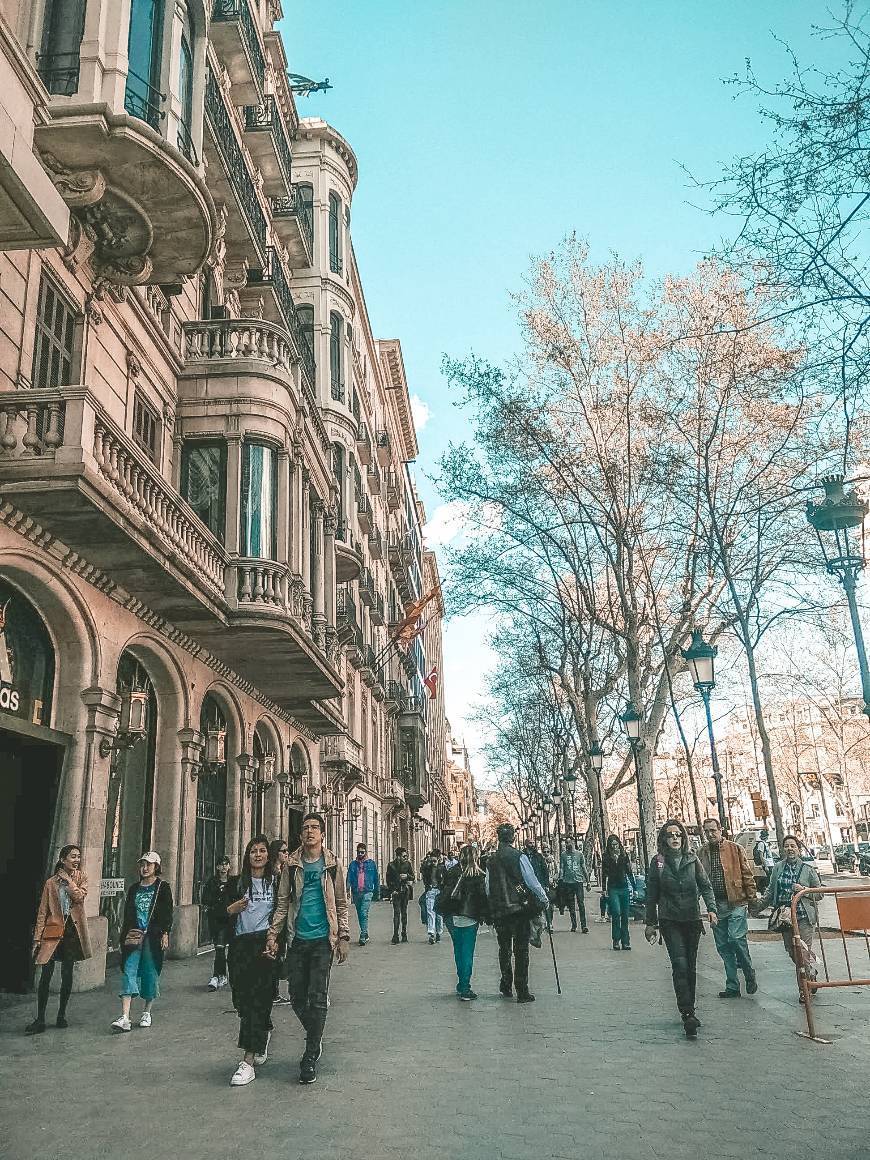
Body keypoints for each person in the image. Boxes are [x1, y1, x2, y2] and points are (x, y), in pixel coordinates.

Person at [267, 813, 350, 1085]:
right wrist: (273, 935)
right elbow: (282, 903)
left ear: (323, 834)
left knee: (317, 996)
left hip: (323, 940)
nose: (310, 832)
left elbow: (340, 902)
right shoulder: (290, 865)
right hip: (297, 939)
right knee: (296, 995)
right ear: (300, 835)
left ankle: (310, 1055)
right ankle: (316, 1034)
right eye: (305, 828)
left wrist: (344, 936)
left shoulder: (334, 865)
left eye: (315, 828)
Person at [644, 819, 718, 1038]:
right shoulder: (658, 862)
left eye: (678, 835)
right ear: (664, 839)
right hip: (670, 920)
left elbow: (705, 886)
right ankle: (687, 1013)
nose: (675, 838)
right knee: (680, 964)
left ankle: (691, 1008)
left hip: (692, 919)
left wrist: (712, 909)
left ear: (683, 838)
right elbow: (651, 895)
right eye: (670, 835)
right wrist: (651, 923)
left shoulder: (692, 859)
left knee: (691, 966)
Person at [225, 836, 278, 1086]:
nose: (258, 855)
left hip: (264, 946)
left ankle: (246, 1062)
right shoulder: (237, 884)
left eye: (262, 851)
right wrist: (230, 910)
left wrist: (277, 943)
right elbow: (217, 912)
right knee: (242, 1003)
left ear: (268, 856)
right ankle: (263, 1032)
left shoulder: (276, 884)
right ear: (247, 856)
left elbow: (283, 914)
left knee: (258, 1001)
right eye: (253, 851)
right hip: (240, 947)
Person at [26, 844, 92, 1034]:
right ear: (63, 859)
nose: (76, 860)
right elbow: (43, 911)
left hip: (72, 930)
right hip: (52, 930)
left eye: (78, 856)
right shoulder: (50, 883)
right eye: (72, 856)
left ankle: (61, 1014)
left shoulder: (81, 877)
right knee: (46, 974)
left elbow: (79, 898)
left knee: (67, 973)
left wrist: (69, 881)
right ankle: (40, 1019)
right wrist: (37, 938)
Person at [485, 823, 549, 1003]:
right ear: (512, 837)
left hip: (500, 911)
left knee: (504, 949)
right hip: (519, 909)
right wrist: (544, 898)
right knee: (521, 950)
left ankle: (506, 984)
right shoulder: (519, 857)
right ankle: (522, 990)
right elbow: (531, 881)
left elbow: (488, 887)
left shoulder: (491, 860)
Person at [755, 834, 822, 1002]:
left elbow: (819, 893)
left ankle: (804, 990)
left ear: (799, 850)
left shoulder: (808, 869)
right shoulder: (778, 868)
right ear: (783, 849)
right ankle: (811, 973)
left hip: (804, 918)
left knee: (802, 954)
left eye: (793, 846)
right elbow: (770, 892)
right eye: (786, 846)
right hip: (785, 919)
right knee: (792, 953)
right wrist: (756, 907)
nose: (790, 849)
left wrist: (803, 890)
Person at [112, 851, 173, 1032]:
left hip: (152, 937)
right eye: (142, 864)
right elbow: (128, 914)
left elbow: (167, 913)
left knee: (150, 972)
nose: (145, 868)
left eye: (149, 864)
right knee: (128, 970)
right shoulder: (133, 888)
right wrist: (123, 937)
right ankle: (125, 1017)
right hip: (134, 935)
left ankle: (147, 1011)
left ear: (156, 867)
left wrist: (165, 933)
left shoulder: (162, 887)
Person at [698, 817, 758, 998]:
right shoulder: (702, 852)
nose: (710, 834)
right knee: (723, 946)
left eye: (713, 830)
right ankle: (732, 985)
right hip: (715, 906)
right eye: (706, 831)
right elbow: (699, 879)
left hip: (736, 902)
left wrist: (752, 899)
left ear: (721, 830)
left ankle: (748, 972)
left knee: (736, 938)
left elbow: (747, 875)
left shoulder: (735, 849)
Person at [436, 843, 489, 999]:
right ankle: (465, 987)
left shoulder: (451, 871)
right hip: (469, 918)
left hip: (451, 917)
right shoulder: (479, 875)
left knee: (458, 950)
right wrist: (486, 916)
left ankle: (461, 982)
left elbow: (443, 889)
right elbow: (482, 899)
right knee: (467, 952)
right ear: (475, 857)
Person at [202, 854, 233, 991]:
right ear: (217, 867)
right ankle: (220, 975)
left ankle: (218, 976)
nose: (224, 867)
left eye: (226, 864)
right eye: (221, 864)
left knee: (223, 949)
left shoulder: (233, 882)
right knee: (219, 948)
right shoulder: (212, 882)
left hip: (230, 919)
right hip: (216, 920)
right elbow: (205, 899)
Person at [602, 834, 636, 950]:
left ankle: (625, 941)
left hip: (624, 887)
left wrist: (635, 888)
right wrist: (603, 889)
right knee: (616, 912)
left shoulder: (624, 855)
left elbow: (629, 871)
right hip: (613, 888)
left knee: (625, 915)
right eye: (612, 845)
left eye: (616, 844)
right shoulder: (606, 857)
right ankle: (616, 940)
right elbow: (604, 873)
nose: (615, 847)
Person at [268, 839, 292, 1003]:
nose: (286, 853)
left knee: (280, 954)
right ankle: (272, 993)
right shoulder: (271, 875)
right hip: (272, 919)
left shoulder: (285, 871)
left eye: (287, 850)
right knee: (273, 956)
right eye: (283, 851)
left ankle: (274, 991)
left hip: (283, 919)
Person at [346, 842, 380, 947]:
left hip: (367, 891)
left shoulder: (371, 863)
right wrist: (347, 890)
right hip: (356, 892)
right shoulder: (353, 864)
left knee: (363, 912)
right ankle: (365, 932)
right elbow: (349, 878)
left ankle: (362, 935)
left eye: (362, 852)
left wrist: (377, 892)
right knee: (360, 914)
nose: (360, 854)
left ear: (365, 852)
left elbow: (376, 878)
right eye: (359, 852)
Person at [559, 837, 591, 934]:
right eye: (566, 843)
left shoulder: (579, 854)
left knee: (581, 903)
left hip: (578, 881)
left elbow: (583, 867)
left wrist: (588, 882)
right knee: (571, 904)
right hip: (568, 882)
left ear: (573, 843)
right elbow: (562, 867)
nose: (568, 844)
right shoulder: (563, 855)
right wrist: (560, 877)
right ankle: (574, 924)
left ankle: (584, 925)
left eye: (569, 842)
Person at [386, 846, 415, 943]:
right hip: (396, 892)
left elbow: (413, 876)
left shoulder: (407, 864)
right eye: (404, 856)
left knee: (404, 913)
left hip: (405, 891)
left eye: (406, 856)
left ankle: (404, 933)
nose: (406, 858)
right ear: (398, 857)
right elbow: (388, 879)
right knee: (396, 913)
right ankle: (395, 935)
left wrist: (407, 876)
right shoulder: (391, 865)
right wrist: (391, 890)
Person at [421, 849, 445, 945]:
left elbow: (445, 880)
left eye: (434, 861)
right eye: (431, 861)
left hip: (439, 892)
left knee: (439, 914)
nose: (433, 863)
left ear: (439, 859)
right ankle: (431, 933)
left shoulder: (442, 868)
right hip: (430, 891)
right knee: (430, 912)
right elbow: (424, 876)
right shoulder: (427, 868)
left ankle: (439, 932)